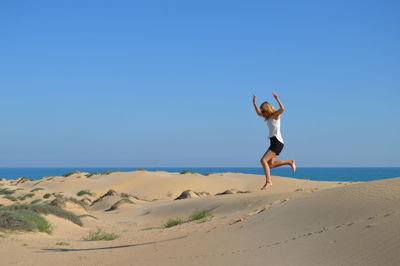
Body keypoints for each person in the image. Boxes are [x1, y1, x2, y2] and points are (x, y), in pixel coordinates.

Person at [253, 92, 296, 190]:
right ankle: (290, 162)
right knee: (271, 164)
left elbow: (282, 109)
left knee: (263, 160)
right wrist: (254, 103)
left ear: (267, 109)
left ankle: (269, 182)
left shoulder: (275, 116)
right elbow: (258, 113)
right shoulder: (268, 118)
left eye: (263, 111)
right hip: (274, 142)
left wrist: (277, 98)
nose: (262, 113)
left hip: (277, 142)